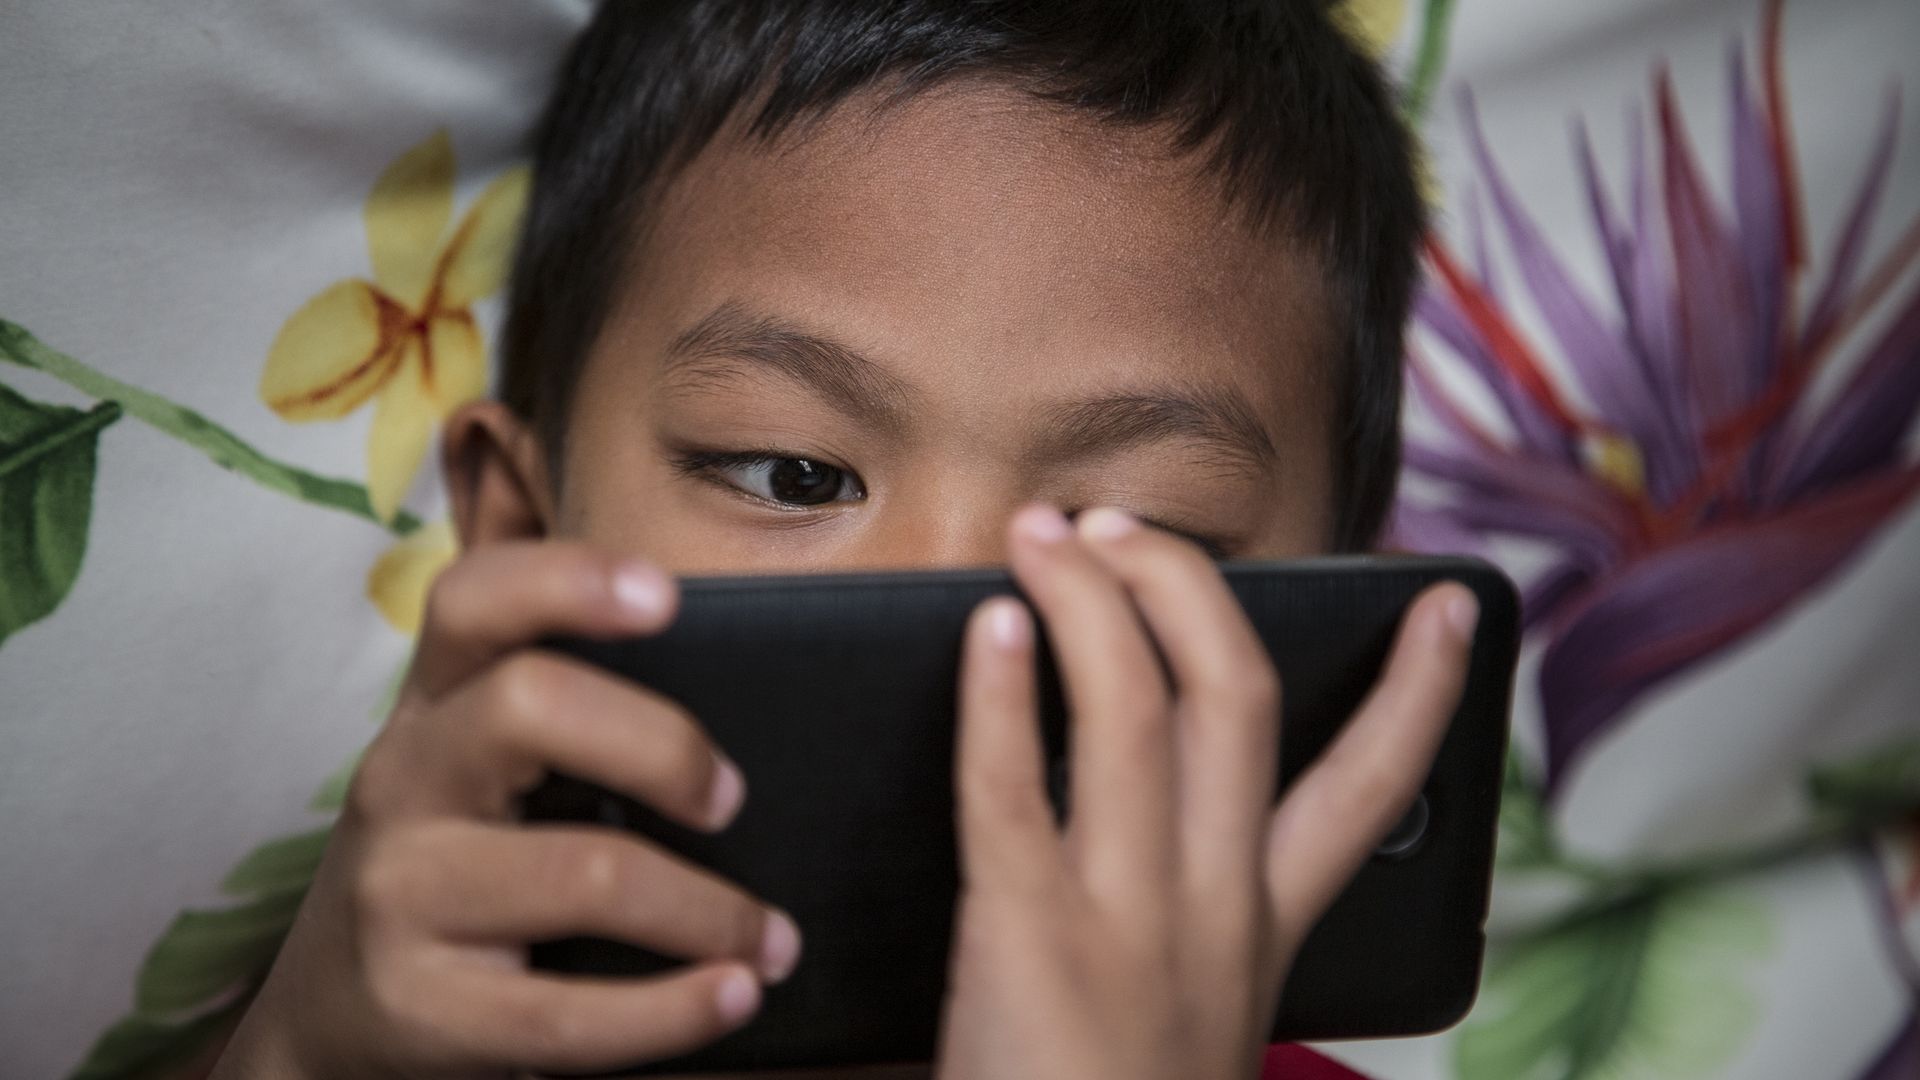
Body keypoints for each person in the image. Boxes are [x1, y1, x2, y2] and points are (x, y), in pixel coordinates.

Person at [210, 1, 1479, 1077]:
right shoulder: (405, 1032)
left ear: (1328, 655)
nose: (954, 625)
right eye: (793, 474)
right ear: (520, 534)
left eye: (1128, 530)